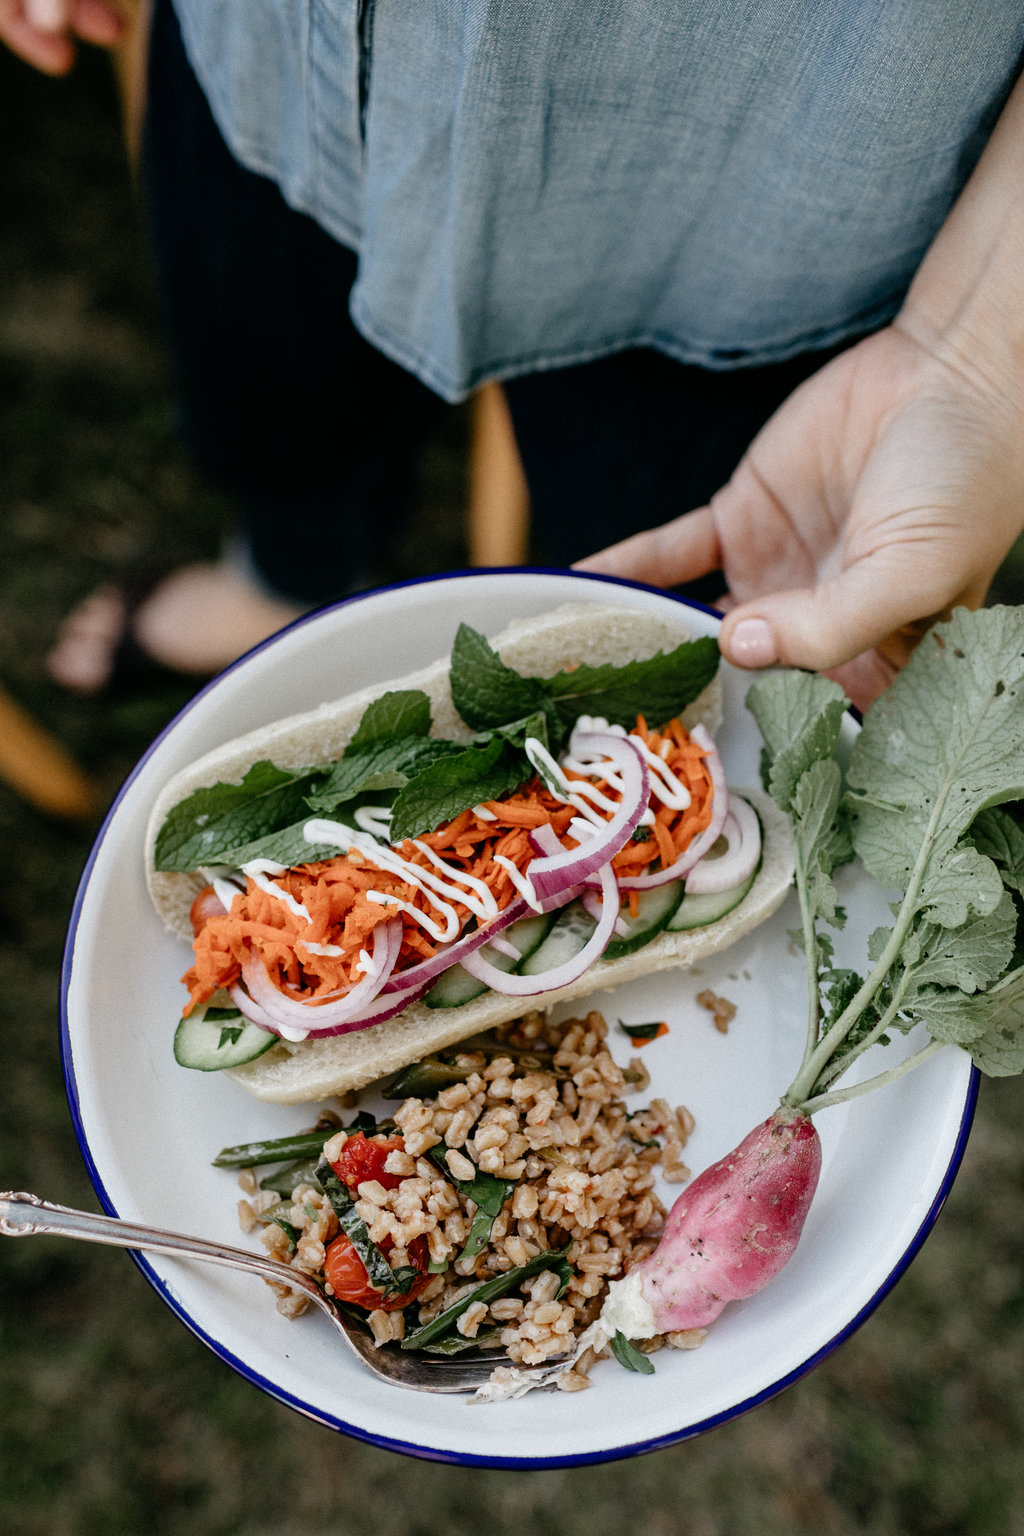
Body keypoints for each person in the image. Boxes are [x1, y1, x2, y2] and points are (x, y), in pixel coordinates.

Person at [4, 0, 1024, 710]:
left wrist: (977, 353)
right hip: (271, 70)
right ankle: (285, 581)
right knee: (269, 394)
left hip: (747, 212)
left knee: (663, 592)